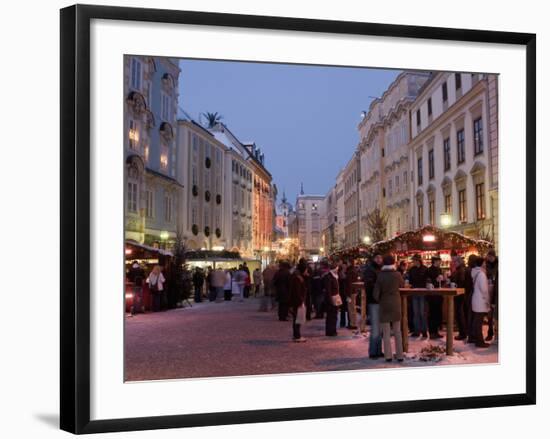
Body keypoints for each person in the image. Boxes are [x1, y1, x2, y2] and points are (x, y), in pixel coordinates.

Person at [373, 255, 404, 362]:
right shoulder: (397, 274)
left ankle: (388, 356)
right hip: (396, 304)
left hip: (384, 304)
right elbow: (402, 285)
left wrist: (379, 298)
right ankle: (400, 355)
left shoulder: (380, 275)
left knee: (386, 332)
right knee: (397, 331)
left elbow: (375, 294)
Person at [363, 253, 383, 357]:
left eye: (380, 257)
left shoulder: (380, 269)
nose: (379, 259)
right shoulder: (370, 270)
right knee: (375, 327)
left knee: (380, 328)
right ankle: (373, 352)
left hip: (380, 301)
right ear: (373, 259)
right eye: (377, 258)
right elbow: (369, 286)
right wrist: (379, 286)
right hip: (374, 301)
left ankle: (378, 350)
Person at [471, 256, 491, 347]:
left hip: (476, 300)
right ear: (482, 264)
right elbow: (484, 290)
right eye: (484, 263)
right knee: (479, 322)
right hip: (481, 301)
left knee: (476, 321)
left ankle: (475, 338)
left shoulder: (475, 272)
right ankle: (479, 342)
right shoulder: (482, 274)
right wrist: (488, 301)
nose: (485, 264)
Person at [408, 254, 428, 338]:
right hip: (415, 291)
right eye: (413, 261)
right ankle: (417, 330)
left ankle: (423, 331)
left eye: (415, 260)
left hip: (422, 291)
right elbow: (410, 280)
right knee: (416, 312)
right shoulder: (412, 269)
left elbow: (427, 279)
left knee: (422, 312)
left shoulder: (425, 269)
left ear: (419, 260)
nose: (414, 262)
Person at [289, 260, 308, 342]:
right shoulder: (297, 278)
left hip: (297, 301)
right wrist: (300, 301)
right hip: (297, 302)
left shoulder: (298, 277)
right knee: (297, 318)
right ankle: (297, 336)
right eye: (306, 270)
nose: (307, 271)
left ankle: (296, 335)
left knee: (297, 318)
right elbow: (297, 291)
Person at [426, 255, 444, 339]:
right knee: (433, 313)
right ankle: (432, 332)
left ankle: (435, 331)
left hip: (438, 294)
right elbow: (428, 282)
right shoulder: (429, 270)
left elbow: (440, 281)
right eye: (439, 261)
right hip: (433, 295)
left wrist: (443, 280)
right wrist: (436, 281)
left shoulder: (439, 269)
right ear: (435, 261)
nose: (440, 262)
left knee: (437, 313)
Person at [450, 257, 468, 340]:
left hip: (459, 295)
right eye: (453, 261)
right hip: (460, 294)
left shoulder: (460, 270)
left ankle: (462, 333)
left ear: (459, 262)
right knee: (460, 314)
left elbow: (461, 282)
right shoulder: (459, 269)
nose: (454, 263)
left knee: (459, 314)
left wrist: (454, 284)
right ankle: (463, 332)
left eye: (455, 261)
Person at [323, 261, 341, 336]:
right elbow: (328, 289)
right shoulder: (329, 277)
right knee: (331, 315)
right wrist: (330, 299)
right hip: (331, 299)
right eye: (337, 268)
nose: (337, 269)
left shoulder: (335, 276)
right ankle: (330, 331)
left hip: (335, 297)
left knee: (334, 315)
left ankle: (333, 330)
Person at [485, 249, 498, 341]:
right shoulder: (486, 264)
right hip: (489, 289)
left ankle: (497, 333)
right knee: (490, 314)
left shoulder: (499, 264)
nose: (489, 258)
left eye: (490, 256)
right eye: (488, 256)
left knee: (496, 315)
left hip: (496, 290)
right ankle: (490, 332)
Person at [464, 254, 478, 343]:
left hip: (467, 294)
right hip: (471, 294)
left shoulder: (467, 269)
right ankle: (472, 336)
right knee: (472, 315)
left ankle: (470, 335)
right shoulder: (471, 270)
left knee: (469, 315)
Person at [345, 261, 360, 330]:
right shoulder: (354, 270)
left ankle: (353, 324)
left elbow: (349, 284)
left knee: (351, 308)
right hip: (354, 291)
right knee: (352, 308)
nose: (346, 264)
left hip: (351, 292)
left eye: (347, 263)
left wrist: (348, 294)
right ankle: (353, 323)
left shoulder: (350, 272)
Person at [338, 261, 348, 328]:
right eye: (343, 266)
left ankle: (346, 322)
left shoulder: (347, 273)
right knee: (343, 309)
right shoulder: (340, 274)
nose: (344, 267)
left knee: (346, 309)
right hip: (342, 293)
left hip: (346, 292)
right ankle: (342, 322)